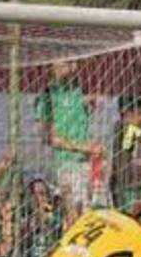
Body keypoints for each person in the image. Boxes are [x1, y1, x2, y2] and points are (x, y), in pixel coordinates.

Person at [37, 60, 102, 221]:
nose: (73, 66)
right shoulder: (47, 97)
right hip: (66, 163)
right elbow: (49, 138)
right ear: (52, 66)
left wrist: (90, 102)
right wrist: (83, 147)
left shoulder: (77, 92)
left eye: (73, 63)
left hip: (87, 162)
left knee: (90, 213)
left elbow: (82, 121)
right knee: (73, 214)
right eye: (66, 63)